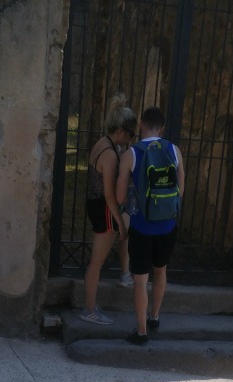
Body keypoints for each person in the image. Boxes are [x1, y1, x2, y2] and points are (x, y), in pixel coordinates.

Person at [117, 106, 185, 344]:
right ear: (162, 128)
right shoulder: (174, 151)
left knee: (140, 279)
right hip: (167, 226)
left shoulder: (132, 154)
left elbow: (119, 196)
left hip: (142, 227)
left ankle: (141, 331)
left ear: (141, 125)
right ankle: (155, 316)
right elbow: (180, 190)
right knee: (161, 270)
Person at [80, 94, 137, 325]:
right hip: (104, 207)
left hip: (95, 204)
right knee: (97, 261)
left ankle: (94, 303)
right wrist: (120, 224)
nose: (131, 139)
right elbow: (109, 194)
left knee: (97, 259)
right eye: (131, 134)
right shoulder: (111, 154)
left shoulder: (101, 143)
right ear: (121, 131)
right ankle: (90, 309)